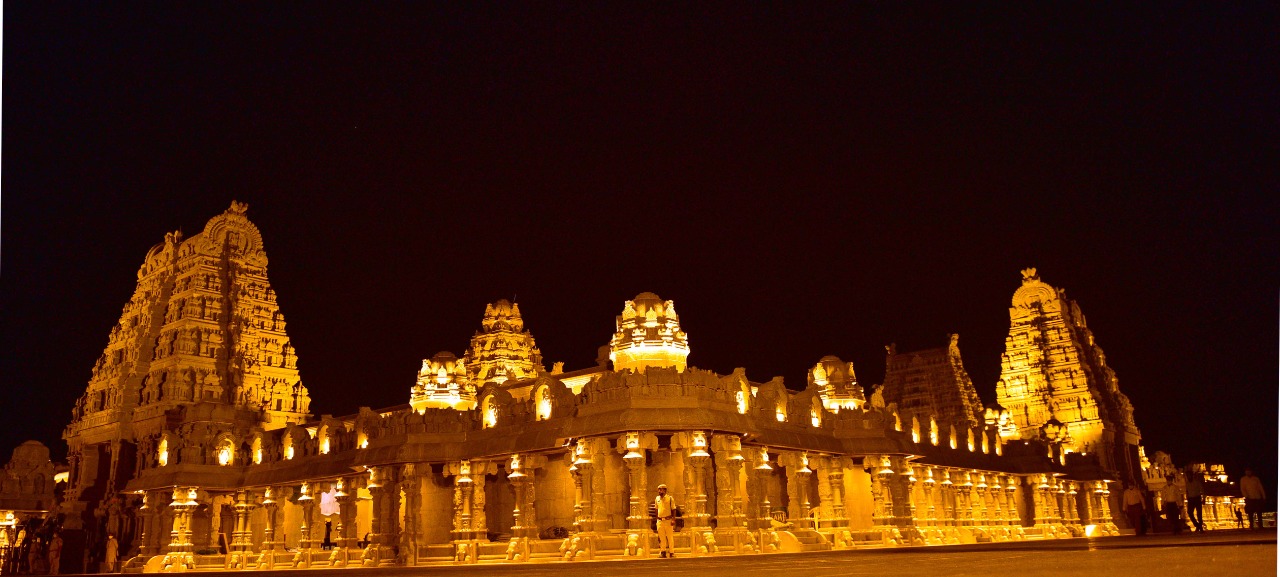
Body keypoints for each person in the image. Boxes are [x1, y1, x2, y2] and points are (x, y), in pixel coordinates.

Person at [654, 484, 677, 558]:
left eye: (661, 489)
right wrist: (657, 518)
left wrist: (673, 519)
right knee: (661, 537)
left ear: (665, 490)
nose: (659, 491)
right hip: (660, 520)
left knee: (670, 537)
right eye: (659, 489)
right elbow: (656, 509)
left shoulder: (670, 498)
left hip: (668, 520)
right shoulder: (657, 498)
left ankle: (671, 552)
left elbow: (673, 509)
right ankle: (663, 551)